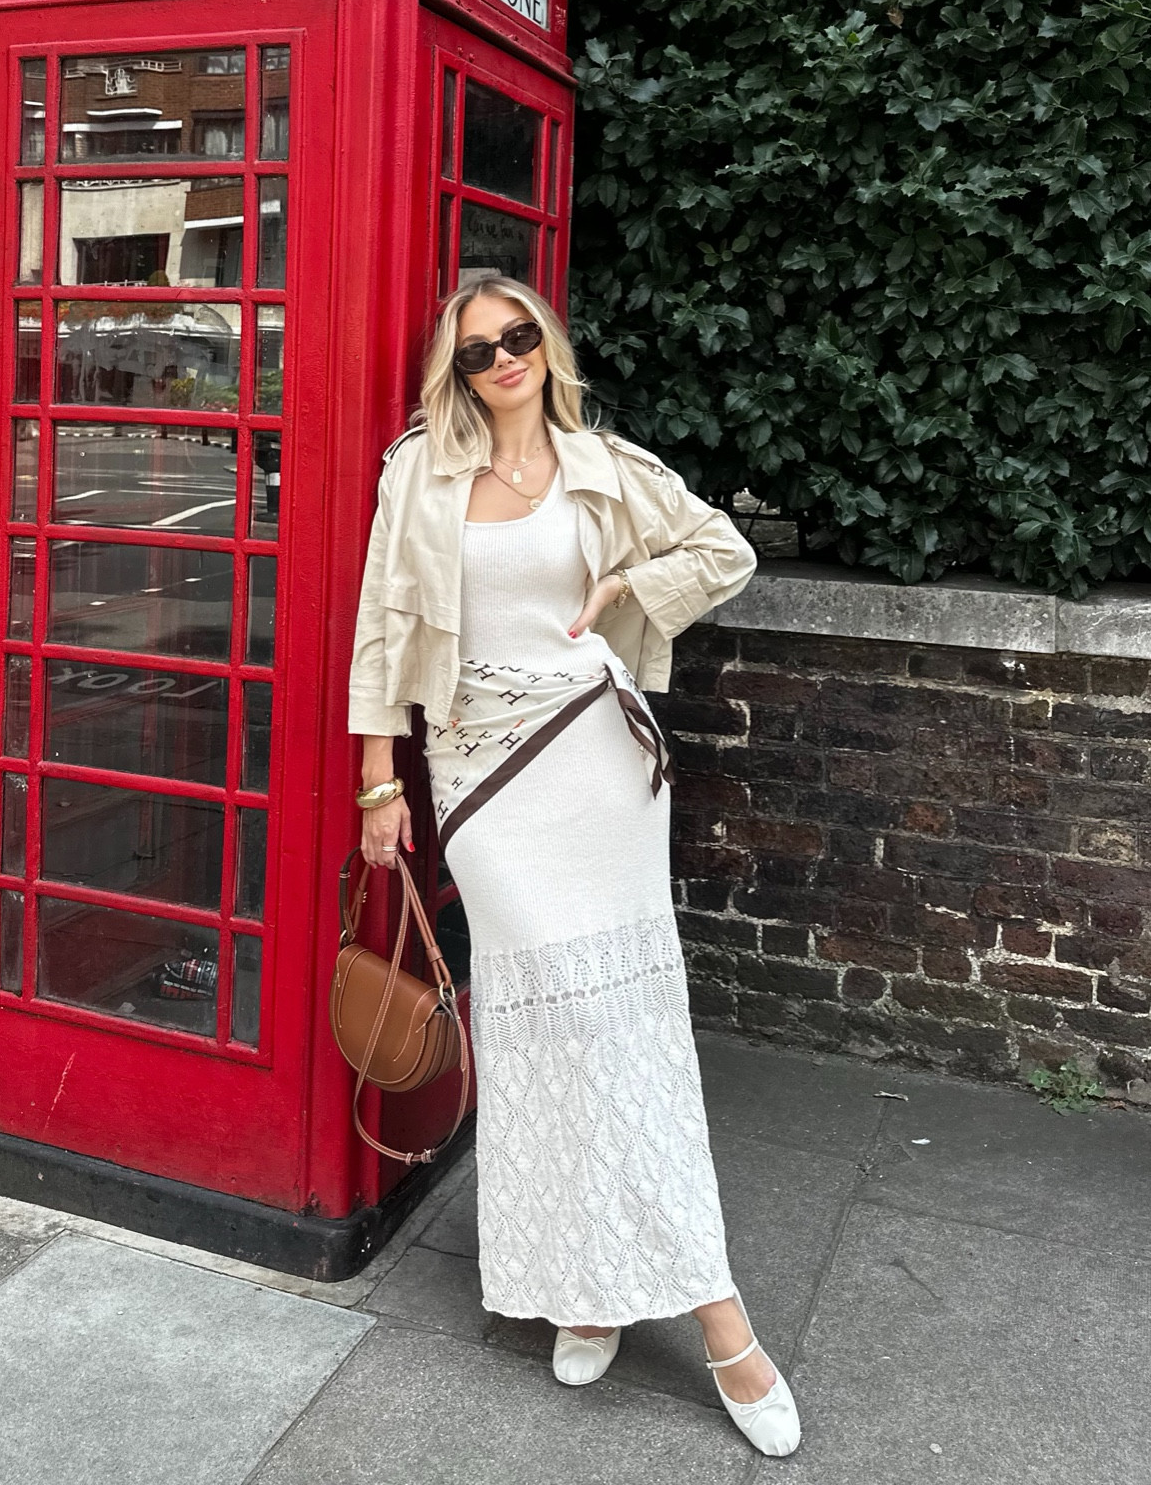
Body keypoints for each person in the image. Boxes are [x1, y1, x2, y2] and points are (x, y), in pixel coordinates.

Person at [349, 275, 800, 1459]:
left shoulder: (607, 464)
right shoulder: (420, 476)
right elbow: (383, 631)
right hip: (484, 781)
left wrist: (629, 587)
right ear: (452, 372)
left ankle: (705, 1312)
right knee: (550, 1033)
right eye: (476, 350)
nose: (502, 359)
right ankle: (591, 1281)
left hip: (599, 766)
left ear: (547, 346)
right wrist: (378, 780)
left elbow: (726, 548)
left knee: (625, 1033)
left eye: (517, 338)